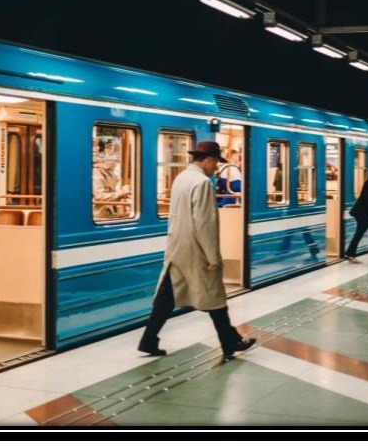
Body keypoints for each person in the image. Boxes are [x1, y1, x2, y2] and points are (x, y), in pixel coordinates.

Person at [138, 141, 256, 363]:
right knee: (215, 297)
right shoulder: (202, 183)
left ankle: (148, 339)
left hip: (177, 246)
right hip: (196, 249)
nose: (216, 169)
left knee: (167, 296)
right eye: (216, 164)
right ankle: (230, 342)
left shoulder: (181, 178)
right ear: (209, 160)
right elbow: (205, 223)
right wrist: (213, 257)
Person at [92, 145, 131, 220]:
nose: (112, 161)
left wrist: (123, 195)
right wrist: (121, 193)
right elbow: (100, 197)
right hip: (98, 215)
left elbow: (111, 195)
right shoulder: (95, 173)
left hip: (109, 213)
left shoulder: (110, 173)